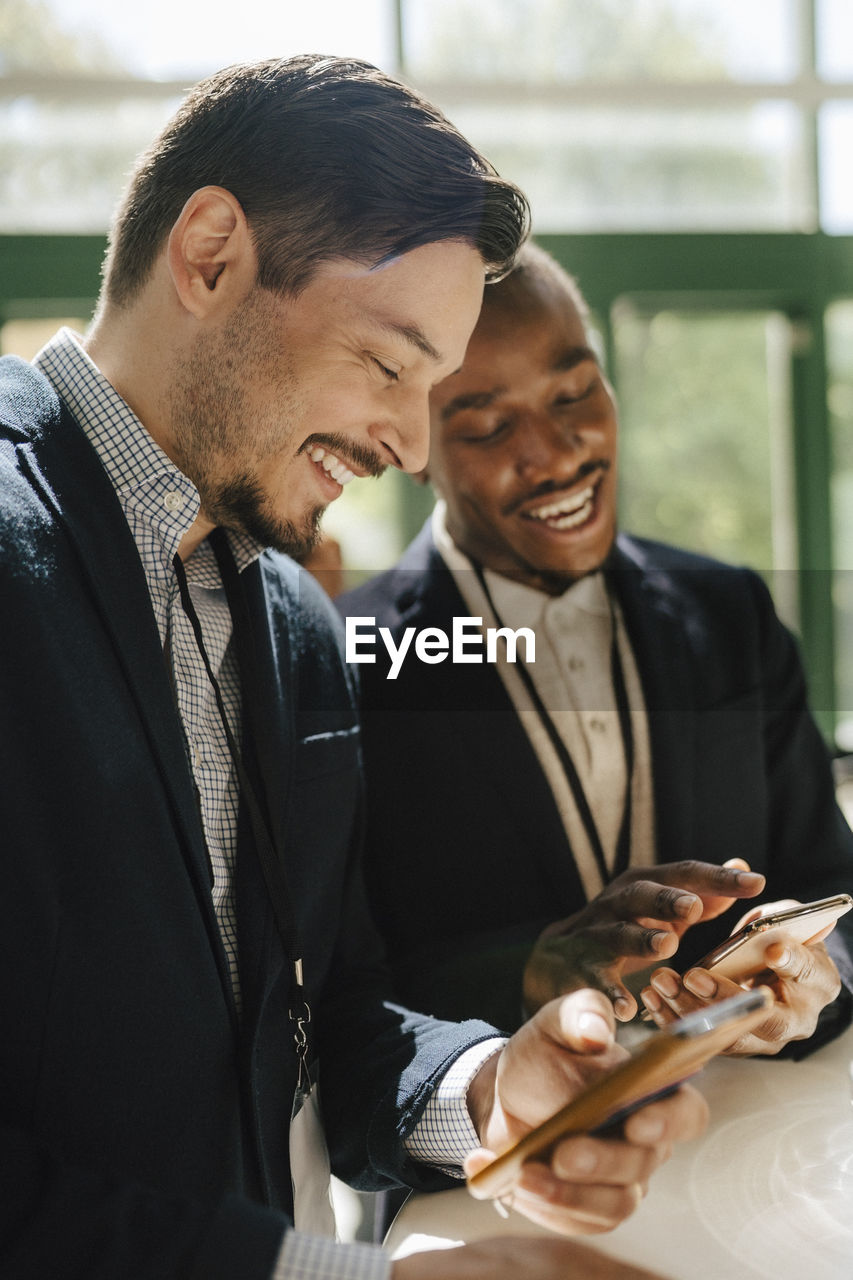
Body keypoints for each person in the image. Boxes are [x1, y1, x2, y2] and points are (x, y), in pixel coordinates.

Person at [0, 57, 710, 1280]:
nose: (410, 442)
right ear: (212, 252)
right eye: (391, 366)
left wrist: (495, 1086)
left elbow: (328, 1006)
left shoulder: (291, 611)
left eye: (435, 390)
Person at [337, 241, 853, 1056]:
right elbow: (348, 993)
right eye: (488, 424)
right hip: (506, 1161)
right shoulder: (346, 664)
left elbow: (826, 879)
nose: (556, 451)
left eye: (575, 392)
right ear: (412, 447)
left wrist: (813, 981)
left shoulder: (731, 612)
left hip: (759, 1135)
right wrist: (531, 977)